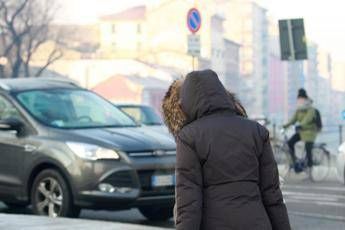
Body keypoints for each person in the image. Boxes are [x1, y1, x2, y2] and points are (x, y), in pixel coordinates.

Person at [162, 70, 290, 230]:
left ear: (187, 103)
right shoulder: (256, 131)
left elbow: (188, 203)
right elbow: (273, 195)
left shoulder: (189, 137)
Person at [283, 88, 318, 174]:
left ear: (305, 99)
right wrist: (284, 126)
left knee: (308, 148)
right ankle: (295, 162)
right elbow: (293, 120)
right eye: (299, 99)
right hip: (301, 132)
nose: (299, 100)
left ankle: (310, 169)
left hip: (310, 132)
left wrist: (300, 125)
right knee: (290, 142)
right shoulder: (299, 109)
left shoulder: (311, 109)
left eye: (301, 99)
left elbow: (307, 119)